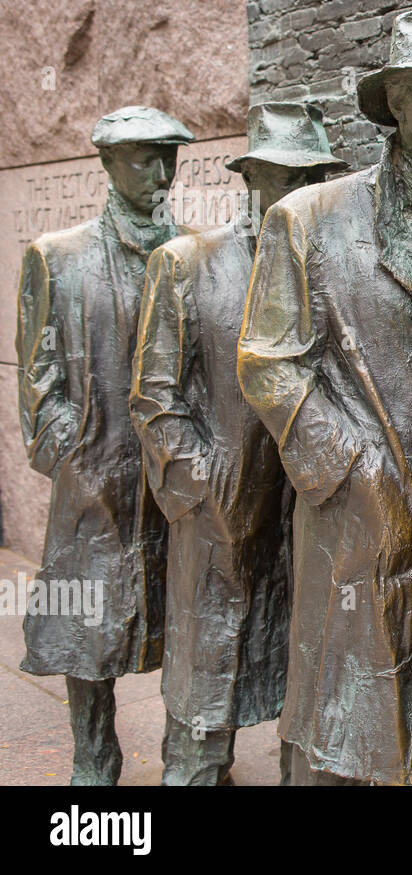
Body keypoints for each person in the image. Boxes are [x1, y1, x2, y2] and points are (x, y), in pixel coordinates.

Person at [237, 10, 412, 785]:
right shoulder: (309, 221)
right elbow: (267, 363)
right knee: (349, 741)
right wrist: (358, 470)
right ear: (398, 101)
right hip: (356, 532)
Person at [130, 102, 346, 785]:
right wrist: (204, 487)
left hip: (306, 521)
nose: (302, 190)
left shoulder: (329, 269)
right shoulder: (186, 264)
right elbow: (154, 399)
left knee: (304, 696)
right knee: (204, 695)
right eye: (287, 176)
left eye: (313, 176)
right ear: (251, 176)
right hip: (217, 522)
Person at [16, 105, 193, 785]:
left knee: (188, 617)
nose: (160, 172)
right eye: (143, 157)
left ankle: (190, 751)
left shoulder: (195, 252)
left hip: (178, 482)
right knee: (87, 626)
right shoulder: (58, 258)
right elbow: (38, 381)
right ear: (108, 163)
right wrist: (74, 454)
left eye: (168, 156)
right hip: (96, 478)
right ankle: (94, 751)